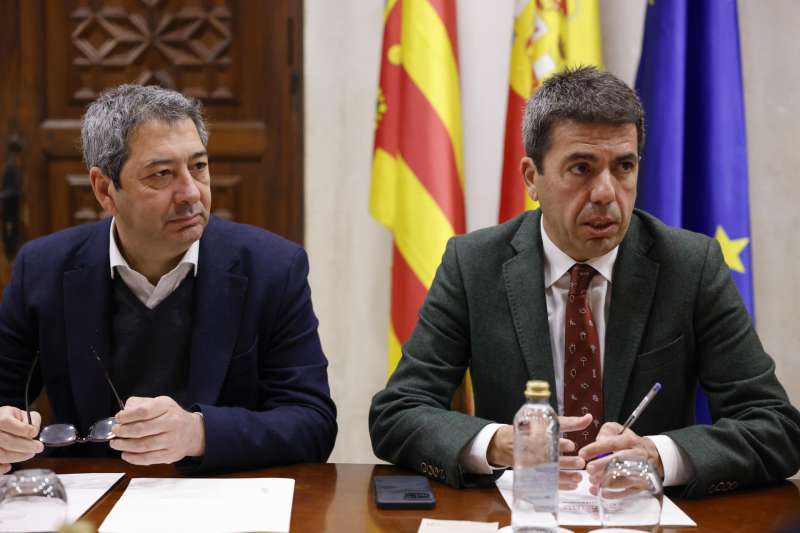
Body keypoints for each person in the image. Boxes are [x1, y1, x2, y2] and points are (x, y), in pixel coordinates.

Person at [369, 67, 800, 498]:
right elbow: (398, 412)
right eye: (581, 168)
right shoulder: (474, 264)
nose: (606, 193)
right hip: (522, 516)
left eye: (624, 167)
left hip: (643, 515)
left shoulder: (689, 266)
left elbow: (776, 426)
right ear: (531, 177)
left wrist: (659, 455)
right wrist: (499, 443)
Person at [0, 84, 337, 473]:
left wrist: (198, 432)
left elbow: (313, 423)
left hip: (223, 500)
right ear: (105, 189)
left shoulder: (273, 268)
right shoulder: (43, 269)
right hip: (90, 505)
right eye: (162, 174)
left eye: (199, 167)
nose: (191, 193)